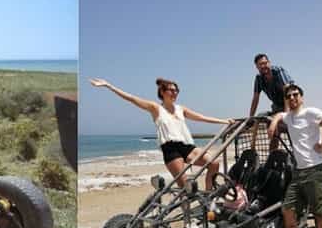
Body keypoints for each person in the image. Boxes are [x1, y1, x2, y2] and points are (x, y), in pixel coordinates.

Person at [90, 77, 232, 190]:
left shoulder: (180, 109)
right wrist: (109, 86)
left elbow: (201, 117)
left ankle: (208, 194)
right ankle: (189, 223)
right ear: (162, 92)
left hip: (186, 147)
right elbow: (131, 98)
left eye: (176, 90)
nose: (174, 93)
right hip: (170, 150)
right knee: (185, 187)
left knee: (214, 163)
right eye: (171, 90)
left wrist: (224, 121)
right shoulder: (156, 108)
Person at [269, 84, 322, 228]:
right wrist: (274, 122)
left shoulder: (310, 112)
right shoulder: (288, 117)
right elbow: (279, 115)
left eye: (295, 95)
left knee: (319, 214)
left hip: (316, 169)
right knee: (288, 210)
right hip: (299, 172)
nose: (292, 98)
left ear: (302, 97)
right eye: (289, 96)